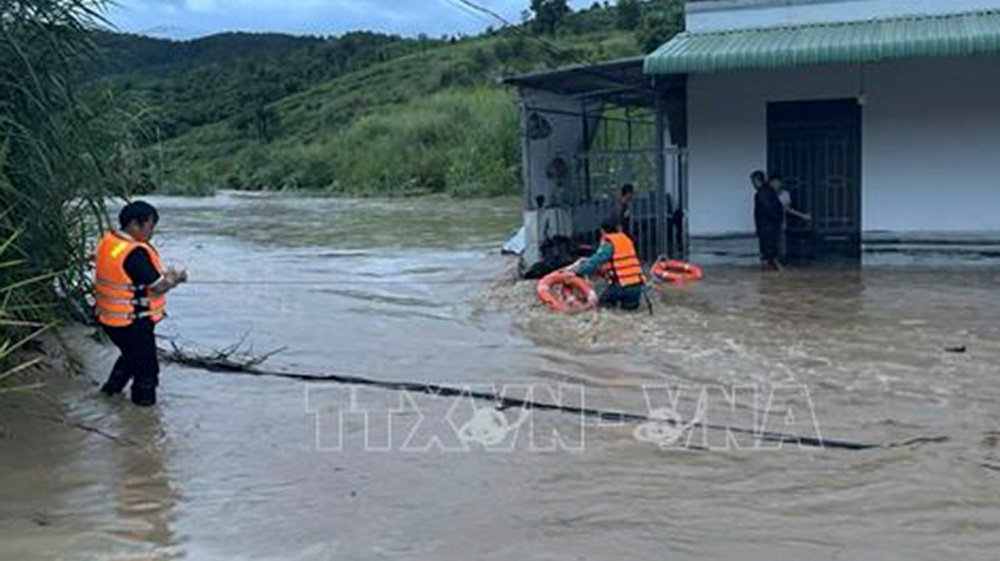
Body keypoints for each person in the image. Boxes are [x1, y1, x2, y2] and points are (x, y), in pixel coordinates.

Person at [94, 201, 187, 406]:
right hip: (132, 321)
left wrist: (165, 278)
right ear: (135, 225)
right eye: (150, 226)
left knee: (130, 356)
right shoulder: (135, 253)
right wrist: (175, 279)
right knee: (146, 370)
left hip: (110, 318)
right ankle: (143, 419)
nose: (152, 232)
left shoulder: (109, 242)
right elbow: (157, 287)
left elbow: (132, 277)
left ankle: (109, 394)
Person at [572, 218, 645, 311]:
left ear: (602, 231)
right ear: (619, 229)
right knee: (630, 313)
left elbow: (594, 262)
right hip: (637, 287)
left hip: (620, 286)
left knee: (601, 309)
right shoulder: (627, 240)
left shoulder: (609, 244)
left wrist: (578, 271)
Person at [769, 174, 812, 260]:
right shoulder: (767, 195)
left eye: (777, 182)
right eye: (773, 183)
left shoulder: (785, 194)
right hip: (769, 224)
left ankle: (781, 260)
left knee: (782, 244)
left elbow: (788, 209)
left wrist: (803, 216)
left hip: (781, 223)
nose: (776, 185)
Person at [752, 170, 783, 271]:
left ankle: (766, 272)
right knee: (771, 252)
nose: (753, 184)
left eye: (754, 182)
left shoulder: (762, 193)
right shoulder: (769, 191)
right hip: (770, 226)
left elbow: (768, 209)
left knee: (767, 253)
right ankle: (775, 272)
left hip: (766, 227)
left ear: (758, 181)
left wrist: (775, 219)